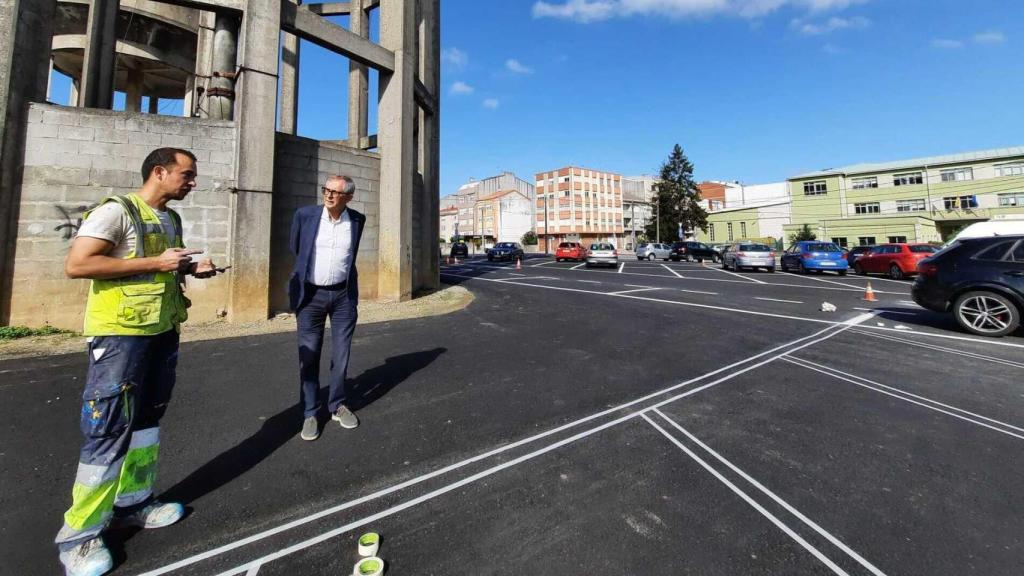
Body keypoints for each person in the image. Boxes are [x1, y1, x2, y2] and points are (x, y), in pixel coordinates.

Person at [56, 147, 219, 576]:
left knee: (146, 424)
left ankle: (134, 503)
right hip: (120, 336)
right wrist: (156, 261)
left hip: (160, 331)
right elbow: (78, 264)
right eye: (187, 175)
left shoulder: (171, 219)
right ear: (160, 172)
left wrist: (191, 269)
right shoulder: (117, 212)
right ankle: (79, 536)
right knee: (108, 428)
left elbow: (166, 269)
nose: (192, 182)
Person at [288, 175, 365, 441]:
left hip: (343, 296)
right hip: (311, 296)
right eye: (326, 190)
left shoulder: (357, 220)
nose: (329, 195)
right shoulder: (305, 215)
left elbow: (351, 255)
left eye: (336, 192)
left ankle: (337, 405)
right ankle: (310, 412)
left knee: (341, 354)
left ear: (349, 197)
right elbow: (295, 248)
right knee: (309, 356)